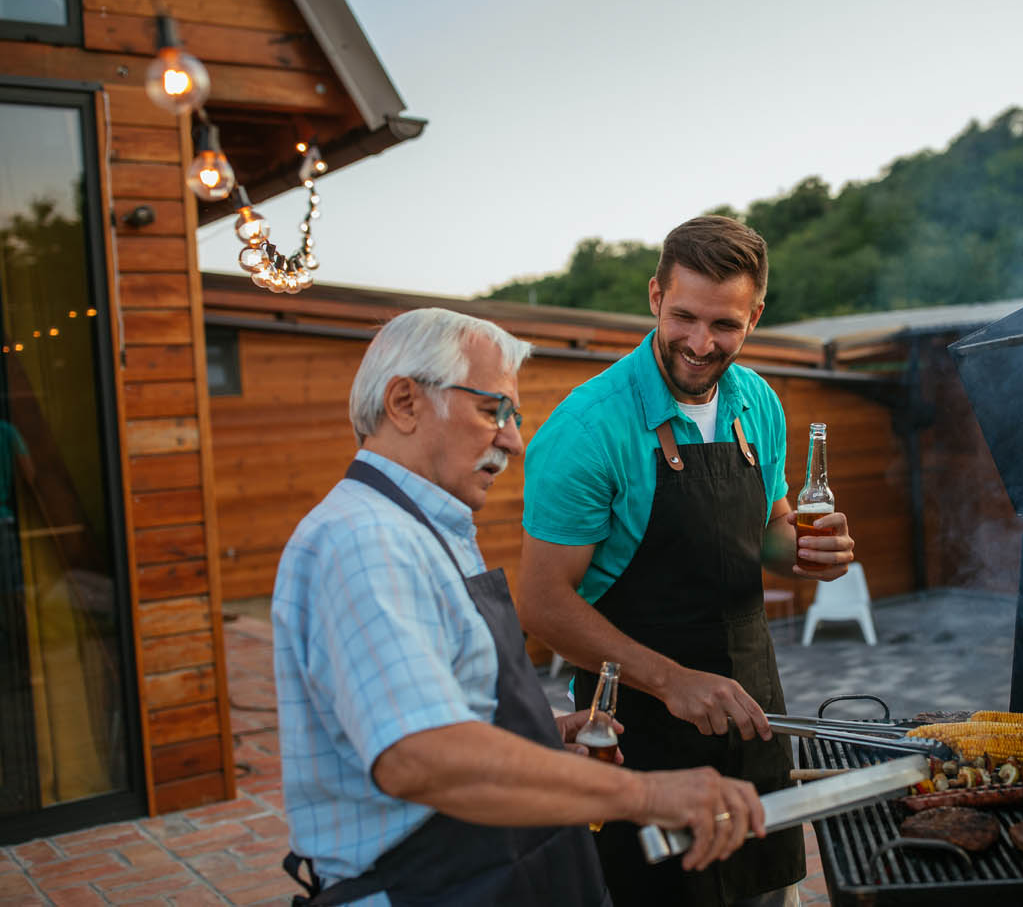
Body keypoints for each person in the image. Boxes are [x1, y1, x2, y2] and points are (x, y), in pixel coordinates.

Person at [272, 308, 766, 907]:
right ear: (404, 403)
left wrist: (533, 735)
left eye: (513, 416)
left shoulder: (421, 529)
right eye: (492, 410)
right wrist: (648, 795)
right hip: (423, 886)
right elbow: (420, 759)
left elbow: (437, 711)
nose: (513, 439)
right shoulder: (367, 539)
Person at [517, 216, 857, 907]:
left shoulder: (757, 402)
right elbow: (544, 603)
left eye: (725, 324)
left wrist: (806, 551)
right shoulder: (587, 429)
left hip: (754, 713)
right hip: (638, 735)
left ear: (756, 315)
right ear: (653, 297)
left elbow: (765, 531)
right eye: (684, 317)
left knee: (768, 892)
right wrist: (671, 682)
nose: (702, 344)